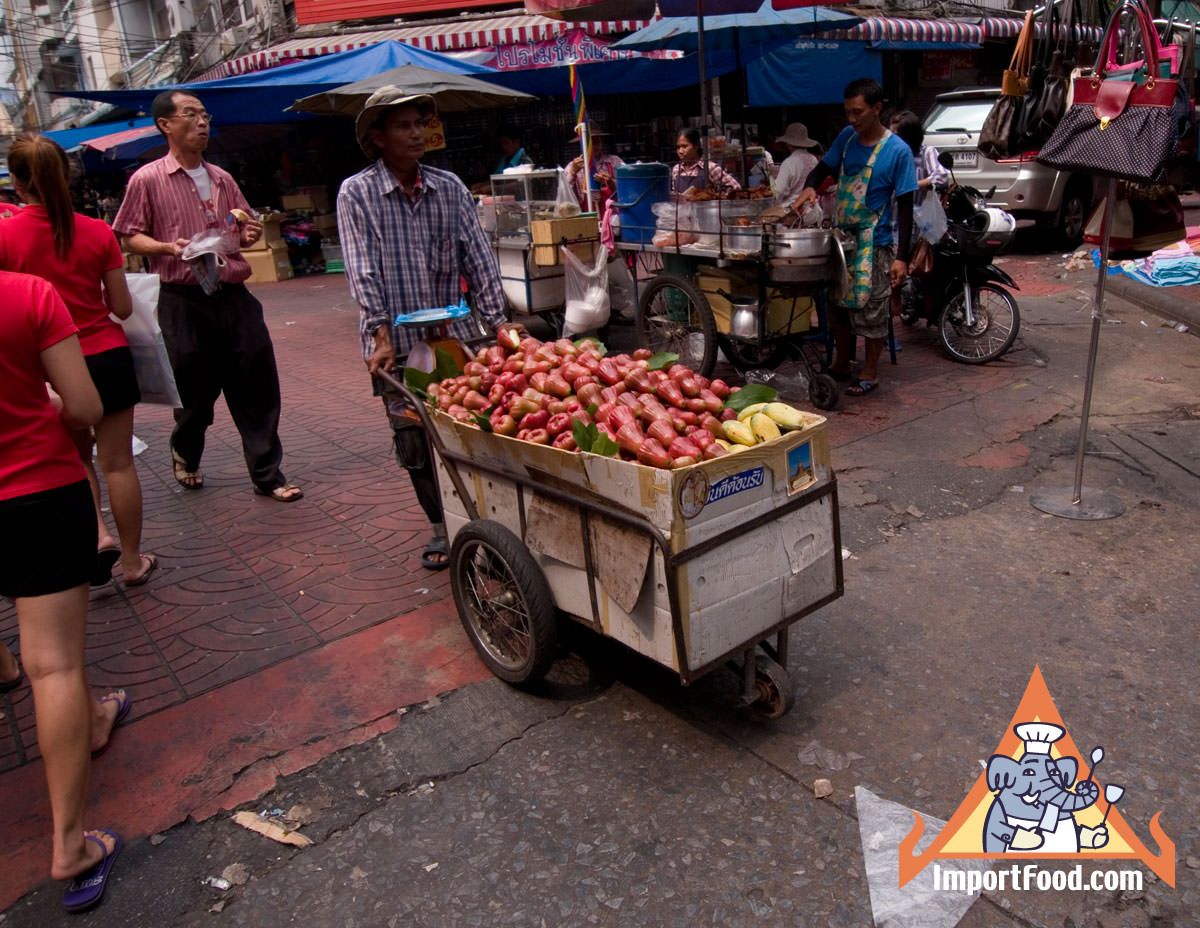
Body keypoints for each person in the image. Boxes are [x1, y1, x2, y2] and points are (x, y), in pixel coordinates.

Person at [337, 87, 521, 570]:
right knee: (415, 438)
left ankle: (480, 519)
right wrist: (377, 332)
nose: (418, 132)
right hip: (394, 345)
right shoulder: (356, 193)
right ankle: (442, 526)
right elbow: (361, 268)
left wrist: (500, 323)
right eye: (403, 125)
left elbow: (478, 261)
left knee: (470, 426)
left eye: (421, 122)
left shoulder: (451, 188)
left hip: (453, 342)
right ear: (378, 137)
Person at [0, 269, 122, 913]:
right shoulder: (26, 295)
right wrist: (46, 402)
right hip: (36, 493)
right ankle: (70, 844)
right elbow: (84, 408)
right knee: (53, 666)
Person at [112, 91, 302, 502]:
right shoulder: (147, 179)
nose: (202, 122)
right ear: (165, 124)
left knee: (256, 383)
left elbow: (245, 227)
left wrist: (248, 233)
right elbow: (128, 236)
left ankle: (268, 475)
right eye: (191, 115)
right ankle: (186, 450)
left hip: (232, 293)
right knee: (195, 393)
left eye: (204, 115)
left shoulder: (222, 178)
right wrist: (166, 248)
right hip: (182, 298)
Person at [0, 135, 155, 588]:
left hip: (47, 371)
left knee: (76, 461)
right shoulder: (97, 232)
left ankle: (98, 537)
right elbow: (122, 307)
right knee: (119, 463)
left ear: (17, 182)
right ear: (67, 177)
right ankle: (131, 561)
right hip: (106, 355)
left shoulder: (6, 235)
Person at [794, 78, 917, 398]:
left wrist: (902, 257)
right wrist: (810, 185)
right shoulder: (847, 139)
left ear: (877, 109)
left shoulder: (897, 151)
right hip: (841, 241)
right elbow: (822, 170)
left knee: (872, 310)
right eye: (848, 112)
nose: (851, 119)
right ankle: (840, 364)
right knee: (837, 306)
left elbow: (905, 207)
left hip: (875, 244)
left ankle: (870, 371)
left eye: (858, 112)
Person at [564, 129, 624, 212]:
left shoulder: (615, 162)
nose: (592, 147)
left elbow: (629, 188)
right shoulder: (572, 166)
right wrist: (572, 173)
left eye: (596, 142)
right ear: (582, 145)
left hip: (612, 216)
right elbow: (564, 196)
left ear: (601, 142)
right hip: (585, 216)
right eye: (589, 144)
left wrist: (611, 183)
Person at [671, 128, 741, 198]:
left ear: (696, 146)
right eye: (678, 147)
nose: (680, 151)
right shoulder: (676, 169)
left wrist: (716, 196)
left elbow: (736, 187)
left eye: (684, 146)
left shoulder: (710, 167)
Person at [772, 122, 820, 210]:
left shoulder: (789, 162)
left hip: (792, 209)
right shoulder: (813, 159)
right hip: (812, 207)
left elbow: (779, 190)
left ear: (788, 143)